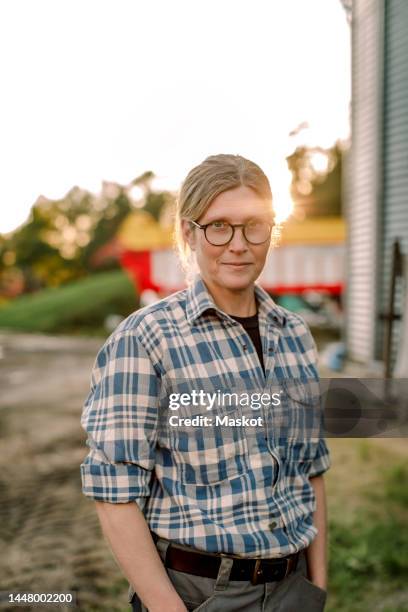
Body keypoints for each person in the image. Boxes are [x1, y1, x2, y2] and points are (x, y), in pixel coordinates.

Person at [80, 154, 331, 612]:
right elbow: (114, 495)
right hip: (199, 595)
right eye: (219, 226)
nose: (238, 244)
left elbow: (311, 472)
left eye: (254, 225)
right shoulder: (145, 339)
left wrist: (317, 587)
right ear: (189, 233)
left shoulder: (296, 335)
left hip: (294, 590)